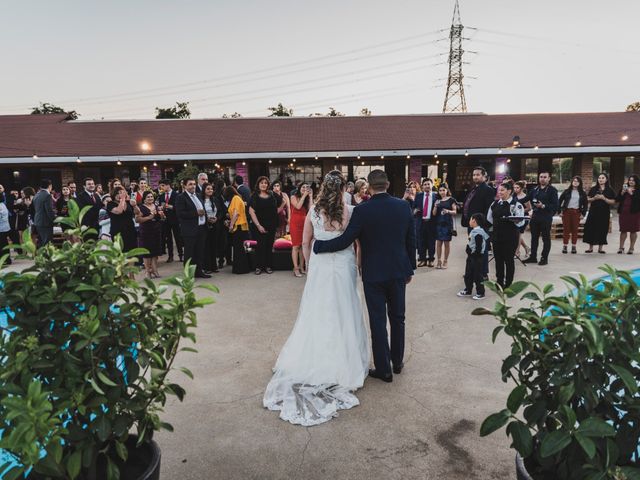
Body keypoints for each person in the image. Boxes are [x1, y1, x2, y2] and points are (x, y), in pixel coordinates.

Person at [263, 170, 369, 426]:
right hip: (343, 267)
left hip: (321, 267)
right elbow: (357, 244)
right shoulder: (350, 210)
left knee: (318, 312)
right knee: (344, 310)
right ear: (343, 187)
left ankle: (314, 356)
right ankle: (344, 361)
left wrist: (310, 268)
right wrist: (357, 265)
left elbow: (306, 241)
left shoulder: (314, 211)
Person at [314, 169, 416, 383]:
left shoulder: (362, 211)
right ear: (387, 184)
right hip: (398, 271)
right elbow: (411, 241)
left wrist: (320, 246)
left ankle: (384, 370)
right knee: (398, 318)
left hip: (374, 274)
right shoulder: (403, 206)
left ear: (369, 187)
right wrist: (410, 269)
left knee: (378, 321)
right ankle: (397, 363)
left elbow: (345, 240)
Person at [487, 182, 525, 289]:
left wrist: (516, 220)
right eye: (499, 190)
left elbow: (521, 222)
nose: (500, 192)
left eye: (502, 190)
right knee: (498, 260)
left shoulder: (516, 205)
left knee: (508, 260)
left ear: (509, 191)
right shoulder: (494, 204)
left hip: (510, 237)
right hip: (497, 237)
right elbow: (489, 219)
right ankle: (499, 281)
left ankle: (508, 283)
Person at [461, 167, 495, 278]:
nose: (475, 176)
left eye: (478, 175)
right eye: (474, 175)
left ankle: (483, 273)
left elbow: (489, 209)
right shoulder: (474, 189)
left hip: (481, 226)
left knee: (482, 250)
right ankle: (473, 271)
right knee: (473, 248)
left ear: (484, 176)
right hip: (472, 225)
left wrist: (482, 224)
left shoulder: (488, 189)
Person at [175, 178, 210, 278]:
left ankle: (199, 271)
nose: (193, 186)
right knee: (189, 253)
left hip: (201, 228)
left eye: (194, 184)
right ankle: (189, 274)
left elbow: (203, 210)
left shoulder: (198, 195)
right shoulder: (181, 197)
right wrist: (196, 213)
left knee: (199, 251)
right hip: (189, 230)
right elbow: (180, 214)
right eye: (190, 184)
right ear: (185, 186)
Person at [523, 171, 559, 266]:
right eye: (541, 177)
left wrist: (543, 206)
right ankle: (533, 256)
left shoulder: (552, 190)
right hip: (535, 216)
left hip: (546, 217)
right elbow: (526, 198)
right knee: (534, 238)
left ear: (549, 178)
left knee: (546, 238)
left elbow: (555, 206)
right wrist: (513, 200)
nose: (542, 179)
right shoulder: (535, 189)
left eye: (544, 177)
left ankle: (544, 258)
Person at [249, 176, 278, 275]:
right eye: (261, 183)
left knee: (269, 246)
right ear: (258, 184)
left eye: (265, 183)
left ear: (268, 185)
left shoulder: (272, 195)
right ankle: (258, 267)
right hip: (258, 225)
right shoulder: (254, 196)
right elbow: (251, 212)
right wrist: (258, 226)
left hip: (271, 225)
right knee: (259, 247)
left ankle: (268, 266)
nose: (263, 184)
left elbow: (277, 208)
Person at [458, 213, 489, 300]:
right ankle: (468, 289)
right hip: (471, 256)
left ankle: (480, 292)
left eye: (470, 219)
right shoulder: (474, 231)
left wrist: (474, 254)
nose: (469, 221)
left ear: (474, 221)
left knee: (478, 275)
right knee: (468, 274)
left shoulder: (479, 233)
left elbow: (479, 246)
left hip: (477, 257)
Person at [583, 173, 616, 253]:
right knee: (591, 228)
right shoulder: (593, 189)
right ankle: (590, 248)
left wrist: (604, 198)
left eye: (602, 178)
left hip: (604, 213)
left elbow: (613, 201)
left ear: (606, 179)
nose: (600, 179)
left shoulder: (610, 190)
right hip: (593, 212)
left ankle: (600, 248)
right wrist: (594, 198)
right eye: (599, 178)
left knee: (602, 229)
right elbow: (587, 199)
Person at [136, 190, 164, 278]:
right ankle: (147, 271)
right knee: (147, 253)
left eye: (151, 197)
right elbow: (137, 220)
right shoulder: (141, 207)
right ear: (144, 199)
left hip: (156, 231)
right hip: (145, 232)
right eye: (148, 197)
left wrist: (162, 215)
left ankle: (155, 270)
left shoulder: (156, 206)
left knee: (155, 252)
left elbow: (162, 219)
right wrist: (149, 217)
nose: (150, 198)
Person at [224, 185, 250, 274]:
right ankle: (241, 268)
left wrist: (231, 225)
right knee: (239, 248)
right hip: (240, 226)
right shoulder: (238, 198)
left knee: (238, 248)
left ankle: (240, 269)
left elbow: (236, 213)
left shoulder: (235, 198)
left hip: (239, 226)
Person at [558, 176, 588, 254]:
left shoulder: (582, 193)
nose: (575, 182)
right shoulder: (566, 191)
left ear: (580, 183)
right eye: (574, 181)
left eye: (577, 181)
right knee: (566, 230)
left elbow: (585, 205)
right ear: (572, 182)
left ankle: (574, 246)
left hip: (576, 213)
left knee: (575, 230)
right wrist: (559, 212)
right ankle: (565, 246)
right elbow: (559, 201)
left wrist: (583, 214)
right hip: (566, 212)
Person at [157, 179, 183, 263]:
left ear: (168, 185)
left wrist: (171, 207)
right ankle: (170, 256)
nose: (161, 187)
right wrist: (161, 208)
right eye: (161, 186)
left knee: (177, 237)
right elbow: (160, 205)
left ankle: (180, 254)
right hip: (165, 219)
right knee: (168, 239)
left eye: (163, 185)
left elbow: (179, 208)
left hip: (175, 219)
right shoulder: (161, 196)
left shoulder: (177, 195)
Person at [289, 182, 312, 277]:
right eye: (303, 187)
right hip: (295, 223)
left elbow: (311, 209)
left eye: (307, 187)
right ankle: (296, 268)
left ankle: (302, 267)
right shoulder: (293, 197)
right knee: (296, 246)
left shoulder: (306, 199)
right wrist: (304, 195)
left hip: (304, 223)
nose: (305, 188)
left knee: (303, 246)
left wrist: (310, 196)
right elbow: (298, 206)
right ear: (299, 188)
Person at [107, 186, 138, 253]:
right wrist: (123, 199)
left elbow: (137, 212)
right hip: (118, 232)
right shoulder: (110, 204)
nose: (119, 195)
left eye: (121, 193)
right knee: (121, 252)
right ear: (114, 195)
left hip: (130, 230)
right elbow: (119, 211)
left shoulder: (128, 202)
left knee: (132, 252)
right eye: (117, 193)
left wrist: (135, 205)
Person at [433, 183, 457, 269]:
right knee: (438, 243)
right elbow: (434, 213)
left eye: (443, 190)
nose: (442, 192)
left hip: (447, 224)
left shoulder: (451, 200)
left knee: (447, 243)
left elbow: (455, 212)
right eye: (440, 190)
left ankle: (445, 261)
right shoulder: (437, 200)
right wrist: (435, 206)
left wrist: (448, 211)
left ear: (447, 190)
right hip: (439, 224)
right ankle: (439, 260)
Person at [414, 179, 438, 267]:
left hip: (432, 222)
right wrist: (415, 210)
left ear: (432, 185)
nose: (427, 186)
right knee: (421, 241)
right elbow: (414, 207)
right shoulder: (419, 196)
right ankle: (422, 259)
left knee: (431, 241)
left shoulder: (436, 196)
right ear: (422, 186)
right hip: (421, 222)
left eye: (428, 184)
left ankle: (431, 259)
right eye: (425, 184)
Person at [616, 174, 640, 254]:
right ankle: (621, 247)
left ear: (636, 182)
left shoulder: (638, 190)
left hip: (634, 213)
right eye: (630, 180)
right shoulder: (624, 188)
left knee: (633, 231)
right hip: (623, 212)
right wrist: (622, 193)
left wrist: (631, 193)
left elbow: (637, 200)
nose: (631, 181)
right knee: (623, 230)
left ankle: (631, 248)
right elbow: (617, 199)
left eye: (633, 180)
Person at [202, 182, 222, 273]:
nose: (210, 190)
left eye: (211, 189)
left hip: (215, 225)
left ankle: (214, 266)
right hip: (205, 226)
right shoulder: (200, 200)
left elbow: (221, 211)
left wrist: (217, 218)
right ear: (204, 190)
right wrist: (207, 219)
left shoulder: (215, 199)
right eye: (208, 189)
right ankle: (207, 267)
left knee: (214, 246)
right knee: (206, 246)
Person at [32, 179, 56, 248]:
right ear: (50, 186)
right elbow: (49, 210)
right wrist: (54, 220)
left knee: (40, 242)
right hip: (45, 222)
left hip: (37, 221)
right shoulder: (47, 195)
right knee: (47, 243)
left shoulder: (36, 195)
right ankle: (46, 258)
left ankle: (39, 257)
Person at [513, 181, 531, 258]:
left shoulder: (525, 197)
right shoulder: (514, 196)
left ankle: (517, 252)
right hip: (515, 218)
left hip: (523, 218)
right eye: (514, 188)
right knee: (517, 235)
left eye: (517, 188)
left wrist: (520, 211)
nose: (515, 189)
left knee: (519, 235)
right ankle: (526, 248)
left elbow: (529, 208)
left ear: (521, 188)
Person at [0, 196, 13, 265]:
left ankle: (5, 260)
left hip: (1, 228)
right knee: (4, 244)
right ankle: (7, 259)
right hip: (5, 227)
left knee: (2, 245)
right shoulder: (3, 204)